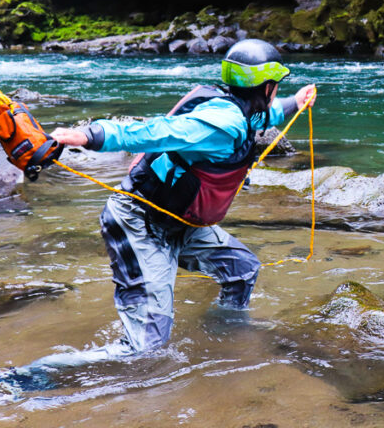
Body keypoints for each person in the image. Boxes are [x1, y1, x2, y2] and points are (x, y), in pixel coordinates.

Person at [50, 39, 316, 355]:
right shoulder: (222, 123)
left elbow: (269, 114)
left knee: (242, 271)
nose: (275, 92)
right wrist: (89, 136)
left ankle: (224, 333)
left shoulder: (243, 111)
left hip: (180, 223)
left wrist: (296, 101)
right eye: (275, 85)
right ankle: (30, 378)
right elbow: (155, 132)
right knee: (146, 349)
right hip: (139, 221)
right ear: (265, 86)